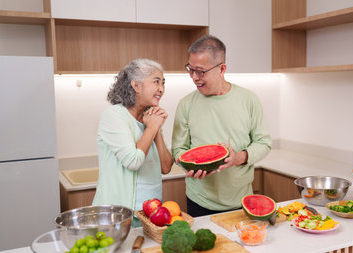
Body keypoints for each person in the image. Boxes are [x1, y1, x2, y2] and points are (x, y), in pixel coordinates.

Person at [171, 35, 272, 217]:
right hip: (199, 200)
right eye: (190, 70)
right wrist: (189, 166)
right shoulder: (185, 104)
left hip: (241, 199)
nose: (194, 77)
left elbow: (263, 143)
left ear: (222, 68)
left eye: (201, 71)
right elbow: (179, 149)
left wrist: (239, 157)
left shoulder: (248, 100)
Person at [93, 59, 173, 226]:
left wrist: (155, 128)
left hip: (152, 212)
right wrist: (152, 127)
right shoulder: (114, 116)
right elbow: (133, 161)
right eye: (156, 82)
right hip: (120, 214)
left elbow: (166, 167)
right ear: (136, 86)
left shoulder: (151, 117)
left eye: (163, 83)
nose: (161, 89)